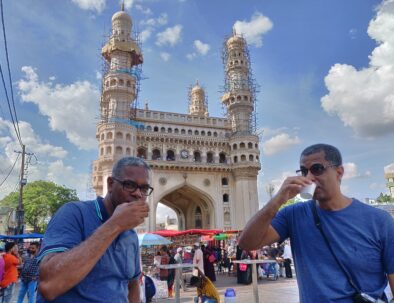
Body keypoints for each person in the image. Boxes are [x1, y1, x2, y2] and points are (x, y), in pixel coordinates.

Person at [239, 143, 394, 302]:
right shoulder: (293, 215)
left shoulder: (379, 221)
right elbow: (247, 243)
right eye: (304, 171)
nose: (309, 178)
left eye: (317, 169)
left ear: (339, 172)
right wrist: (278, 200)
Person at [36, 157, 152, 302]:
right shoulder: (74, 213)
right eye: (129, 185)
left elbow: (132, 285)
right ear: (110, 184)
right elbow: (50, 285)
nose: (138, 194)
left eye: (144, 188)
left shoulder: (130, 236)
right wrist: (115, 225)